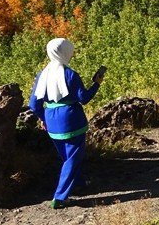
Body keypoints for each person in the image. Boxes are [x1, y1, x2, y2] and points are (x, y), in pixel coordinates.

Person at [28, 38, 104, 209]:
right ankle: (60, 197)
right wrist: (96, 84)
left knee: (67, 157)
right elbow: (84, 98)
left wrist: (44, 118)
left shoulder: (42, 75)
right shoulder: (70, 74)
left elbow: (33, 105)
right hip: (72, 121)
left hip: (51, 121)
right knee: (72, 158)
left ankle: (79, 183)